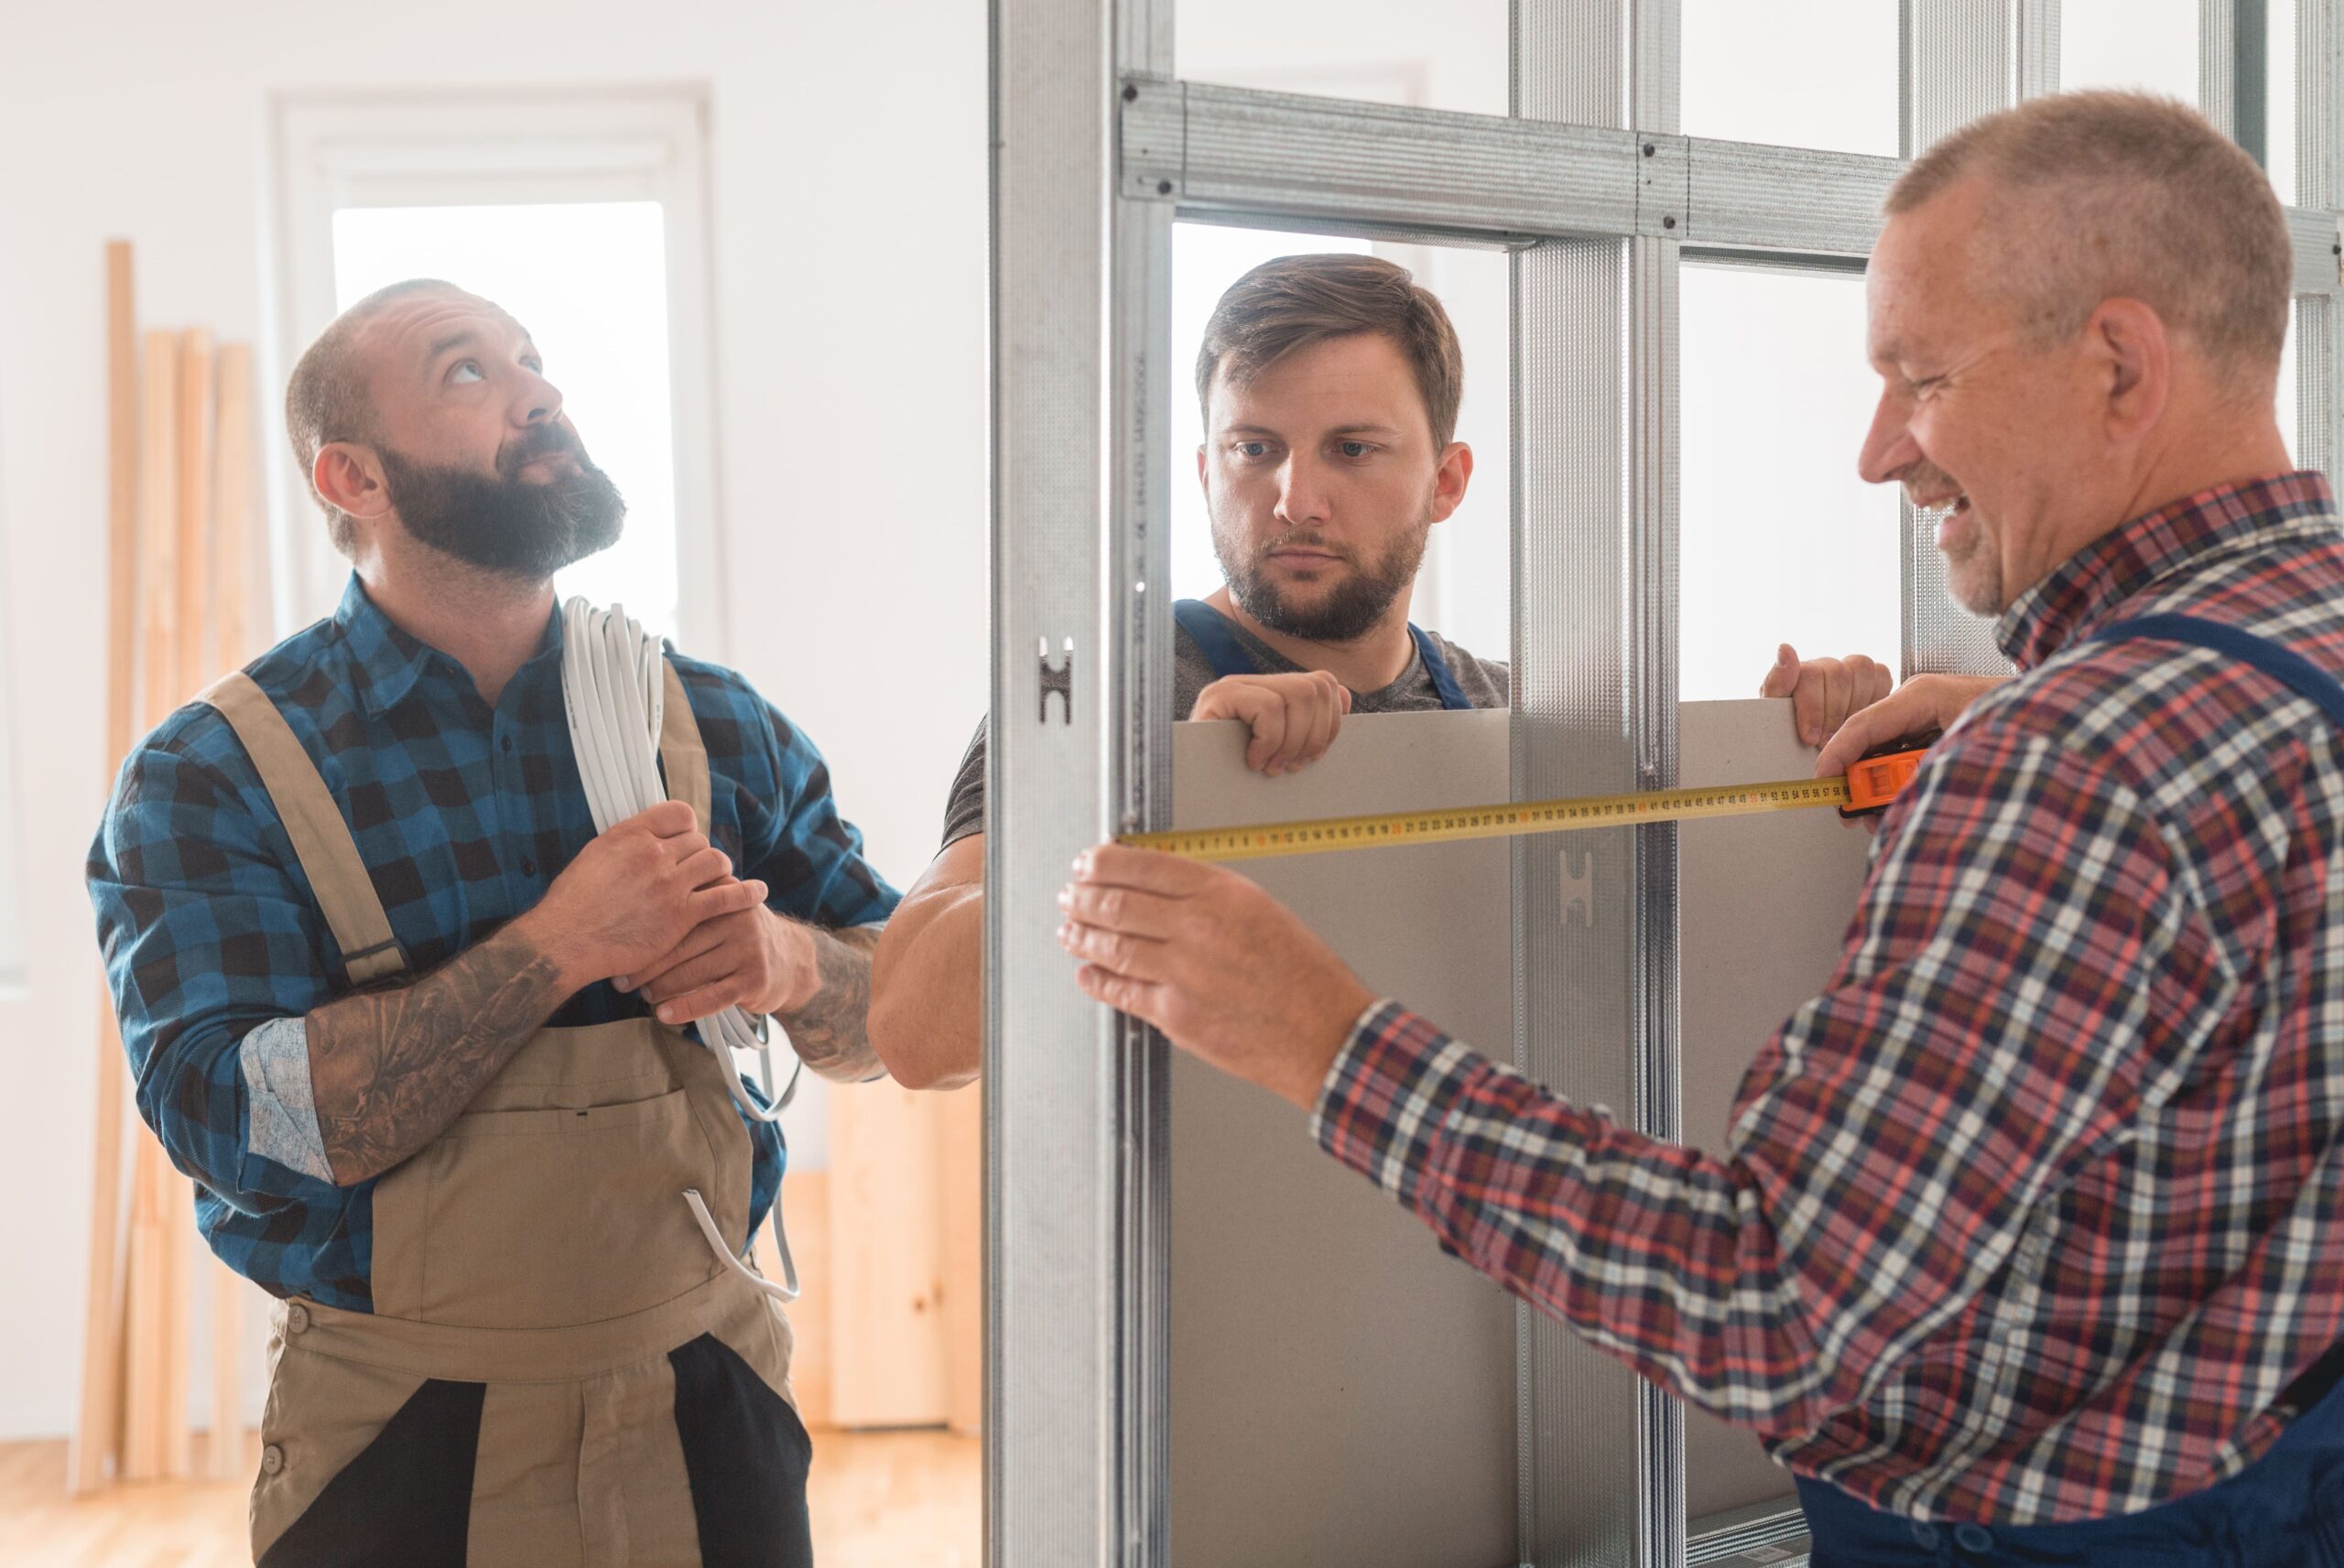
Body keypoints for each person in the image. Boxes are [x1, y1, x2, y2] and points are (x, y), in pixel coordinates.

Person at [1060, 92, 2344, 1563]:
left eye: (1920, 377)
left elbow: (1779, 1304)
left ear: (2120, 363)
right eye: (1252, 447)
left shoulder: (2083, 761)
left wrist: (1321, 1036)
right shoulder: (2241, 680)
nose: (1879, 452)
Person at [88, 279, 895, 1566]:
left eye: (533, 360)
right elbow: (231, 1119)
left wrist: (788, 959)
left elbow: (901, 1019)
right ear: (352, 475)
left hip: (711, 1399)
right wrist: (562, 943)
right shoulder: (218, 774)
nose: (539, 392)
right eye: (468, 373)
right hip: (398, 1432)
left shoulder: (713, 724)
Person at [869, 254, 1887, 1087]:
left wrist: (1794, 783)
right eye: (1254, 448)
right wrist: (1177, 796)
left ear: (1445, 482)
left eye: (1351, 450)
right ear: (1202, 469)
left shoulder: (1513, 717)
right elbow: (911, 1027)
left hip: (1475, 1300)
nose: (1293, 497)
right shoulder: (1094, 704)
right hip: (1209, 1317)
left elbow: (1677, 989)